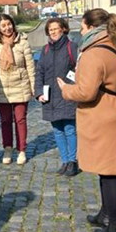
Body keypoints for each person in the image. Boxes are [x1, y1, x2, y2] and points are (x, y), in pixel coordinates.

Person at [59, 8, 116, 232]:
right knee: (108, 171)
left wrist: (65, 89)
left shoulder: (94, 53)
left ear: (92, 28)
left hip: (106, 119)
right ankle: (106, 214)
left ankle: (115, 226)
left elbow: (86, 91)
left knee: (111, 174)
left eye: (82, 28)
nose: (80, 32)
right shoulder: (115, 44)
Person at [0, 14, 35, 165]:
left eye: (9, 24)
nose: (7, 28)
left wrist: (34, 88)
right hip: (1, 87)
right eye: (3, 26)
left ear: (13, 25)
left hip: (20, 85)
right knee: (5, 120)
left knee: (20, 119)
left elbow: (31, 67)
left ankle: (22, 149)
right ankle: (7, 148)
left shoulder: (23, 42)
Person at [35, 17, 80, 176]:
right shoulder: (45, 50)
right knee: (57, 130)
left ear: (63, 29)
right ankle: (65, 161)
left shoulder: (72, 47)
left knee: (69, 129)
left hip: (67, 94)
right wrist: (39, 92)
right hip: (50, 96)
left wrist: (69, 83)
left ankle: (73, 162)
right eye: (50, 29)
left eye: (56, 28)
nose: (53, 32)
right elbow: (39, 71)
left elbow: (79, 68)